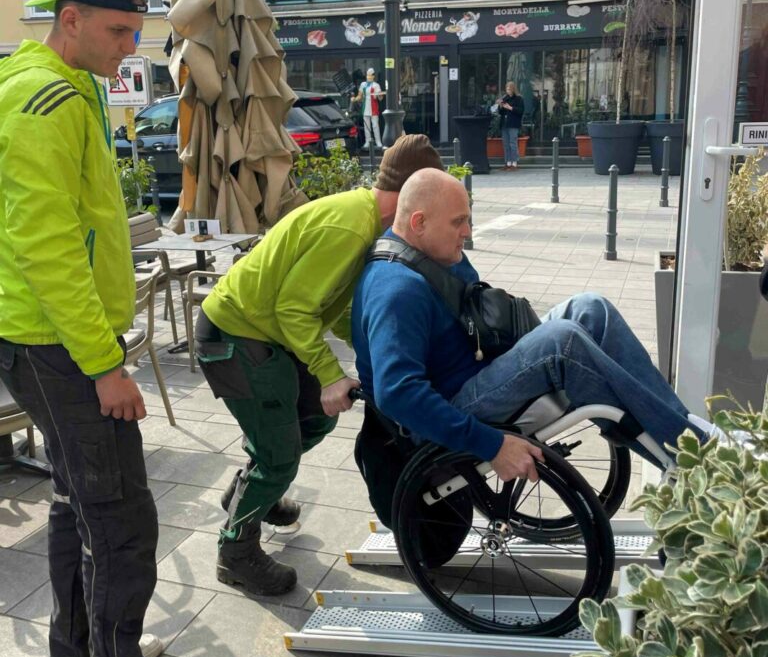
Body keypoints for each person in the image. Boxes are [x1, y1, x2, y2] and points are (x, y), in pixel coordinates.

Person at [0, 0, 215, 657]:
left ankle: (79, 651)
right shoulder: (47, 98)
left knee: (74, 501)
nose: (130, 46)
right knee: (122, 517)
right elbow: (46, 243)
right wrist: (104, 363)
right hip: (59, 343)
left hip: (47, 336)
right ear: (72, 21)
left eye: (135, 30)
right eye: (119, 30)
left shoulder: (56, 84)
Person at [194, 134, 444, 597]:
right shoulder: (350, 228)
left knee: (314, 421)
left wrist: (379, 356)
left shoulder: (368, 222)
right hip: (235, 334)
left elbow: (338, 310)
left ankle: (253, 493)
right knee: (280, 454)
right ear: (414, 202)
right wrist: (330, 374)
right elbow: (294, 309)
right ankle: (236, 554)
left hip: (267, 332)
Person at [352, 169, 709, 483]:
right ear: (418, 223)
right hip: (448, 406)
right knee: (563, 342)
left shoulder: (433, 254)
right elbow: (397, 393)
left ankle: (684, 437)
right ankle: (698, 462)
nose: (468, 231)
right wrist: (492, 444)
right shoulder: (396, 290)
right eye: (458, 222)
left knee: (590, 308)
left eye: (469, 219)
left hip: (477, 369)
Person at [493, 81, 525, 170]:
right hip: (504, 124)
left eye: (509, 89)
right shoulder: (505, 98)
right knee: (506, 144)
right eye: (507, 89)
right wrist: (500, 106)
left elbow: (521, 111)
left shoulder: (519, 99)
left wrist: (510, 108)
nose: (508, 91)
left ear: (513, 89)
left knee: (513, 143)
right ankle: (508, 162)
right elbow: (500, 112)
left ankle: (514, 162)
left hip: (513, 124)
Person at [353, 68, 383, 151]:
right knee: (367, 126)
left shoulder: (376, 85)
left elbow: (380, 98)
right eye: (368, 74)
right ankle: (367, 141)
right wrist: (354, 99)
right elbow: (360, 96)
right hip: (365, 107)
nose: (369, 76)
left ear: (373, 76)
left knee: (375, 125)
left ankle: (378, 141)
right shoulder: (363, 84)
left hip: (373, 107)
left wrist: (378, 95)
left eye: (370, 75)